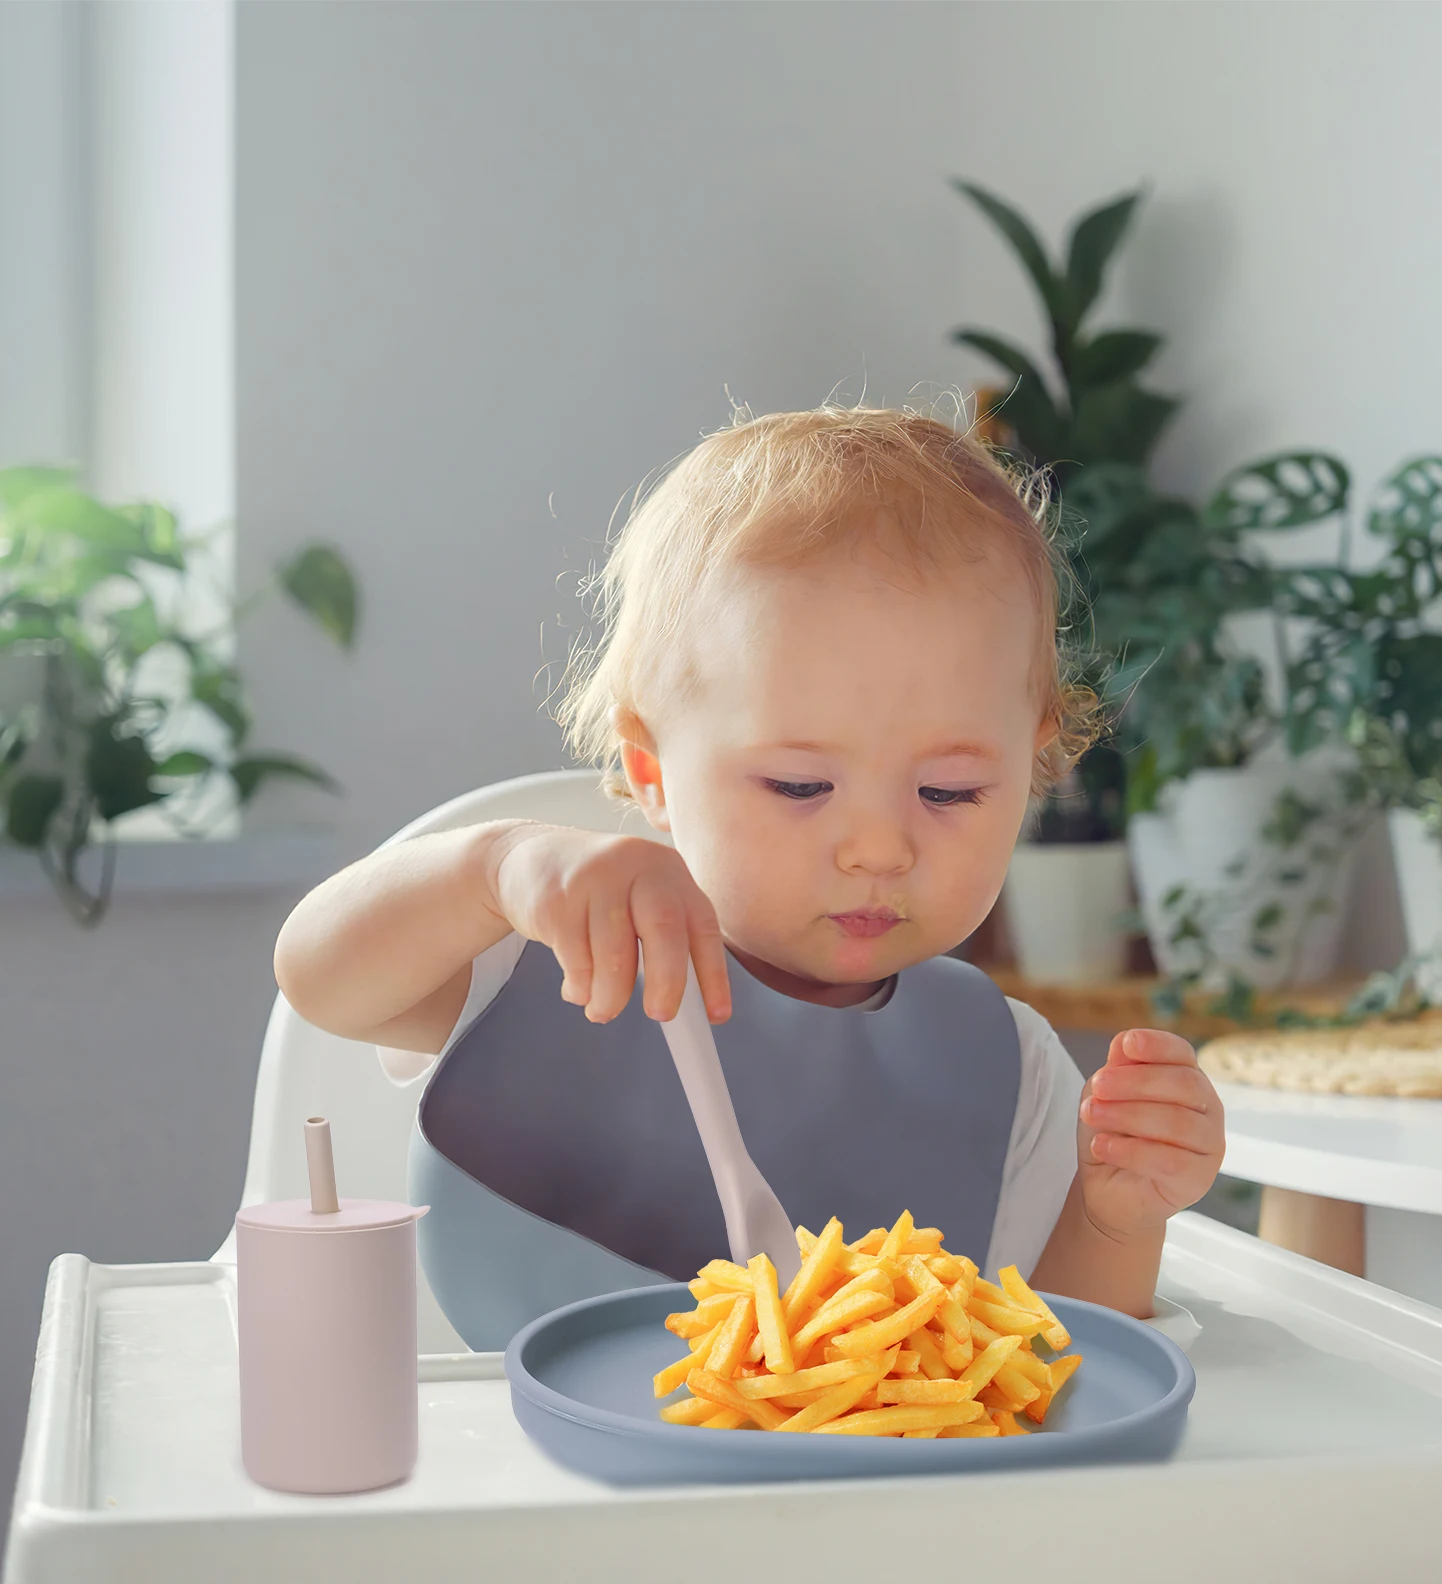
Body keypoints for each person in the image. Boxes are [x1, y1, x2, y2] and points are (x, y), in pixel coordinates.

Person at [275, 404, 1224, 1326]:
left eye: (949, 793)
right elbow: (318, 977)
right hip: (520, 1471)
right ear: (650, 770)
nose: (879, 849)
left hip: (864, 1487)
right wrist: (495, 869)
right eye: (799, 786)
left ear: (1034, 764)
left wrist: (1115, 1215)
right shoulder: (552, 958)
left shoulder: (1007, 1066)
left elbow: (1052, 1351)